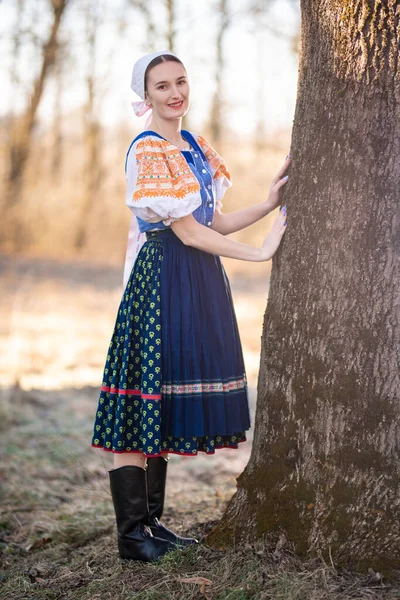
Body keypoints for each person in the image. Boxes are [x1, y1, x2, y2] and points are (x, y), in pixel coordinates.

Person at [91, 50, 290, 563]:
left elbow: (214, 221)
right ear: (146, 95)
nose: (175, 92)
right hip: (162, 280)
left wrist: (268, 204)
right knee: (143, 399)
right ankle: (132, 534)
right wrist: (260, 253)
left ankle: (152, 524)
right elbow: (187, 230)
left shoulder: (196, 147)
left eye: (181, 81)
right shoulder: (148, 150)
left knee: (162, 400)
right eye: (162, 86)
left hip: (196, 279)